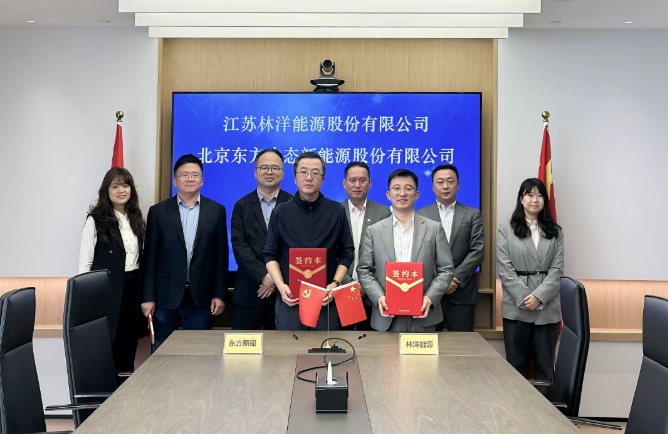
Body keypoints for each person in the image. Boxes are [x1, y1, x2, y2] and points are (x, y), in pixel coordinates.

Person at [141, 154, 228, 350]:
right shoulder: (158, 212)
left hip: (201, 297)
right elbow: (150, 259)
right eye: (184, 175)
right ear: (175, 181)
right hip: (165, 297)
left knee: (199, 353)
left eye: (195, 175)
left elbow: (221, 257)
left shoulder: (216, 211)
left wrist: (219, 294)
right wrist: (147, 297)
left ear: (202, 181)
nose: (190, 179)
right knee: (162, 354)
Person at [263, 152, 355, 331]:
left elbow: (347, 253)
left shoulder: (336, 211)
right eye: (303, 172)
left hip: (326, 300)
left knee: (326, 347)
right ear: (294, 177)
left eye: (315, 173)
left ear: (323, 179)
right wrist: (281, 286)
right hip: (291, 299)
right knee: (290, 347)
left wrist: (334, 285)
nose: (309, 177)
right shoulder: (280, 212)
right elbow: (270, 254)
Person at [357, 169, 454, 332]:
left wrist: (429, 298)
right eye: (396, 188)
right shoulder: (374, 231)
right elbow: (364, 270)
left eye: (408, 188)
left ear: (416, 195)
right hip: (386, 315)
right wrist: (379, 297)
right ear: (388, 194)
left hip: (424, 314)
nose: (402, 193)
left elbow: (446, 269)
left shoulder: (434, 229)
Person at [497, 178, 564, 394]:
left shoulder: (555, 231)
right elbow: (505, 269)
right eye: (530, 195)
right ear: (521, 199)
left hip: (548, 308)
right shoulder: (506, 228)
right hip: (516, 307)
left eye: (540, 195)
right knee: (516, 369)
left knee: (545, 370)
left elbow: (557, 270)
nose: (535, 199)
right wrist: (526, 298)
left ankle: (545, 414)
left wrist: (539, 297)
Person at [79, 167, 145, 380]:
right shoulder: (96, 220)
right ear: (106, 191)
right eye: (115, 186)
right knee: (108, 346)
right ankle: (108, 395)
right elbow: (86, 262)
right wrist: (87, 298)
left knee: (129, 343)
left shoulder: (136, 218)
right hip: (106, 292)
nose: (121, 190)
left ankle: (126, 392)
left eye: (125, 185)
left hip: (133, 289)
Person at [417, 164, 485, 331]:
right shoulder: (420, 215)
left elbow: (477, 251)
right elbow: (418, 252)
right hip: (429, 292)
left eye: (450, 181)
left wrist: (454, 278)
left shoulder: (472, 214)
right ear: (433, 187)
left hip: (462, 292)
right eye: (440, 182)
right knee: (429, 343)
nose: (445, 186)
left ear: (458, 185)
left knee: (461, 343)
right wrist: (441, 281)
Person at [231, 149, 293, 330]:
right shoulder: (241, 205)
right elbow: (239, 246)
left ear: (283, 172)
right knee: (244, 346)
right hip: (249, 292)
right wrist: (263, 276)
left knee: (283, 346)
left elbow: (296, 246)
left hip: (285, 293)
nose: (269, 172)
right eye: (264, 167)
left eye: (275, 168)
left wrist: (274, 280)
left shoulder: (294, 204)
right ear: (255, 172)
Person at [341, 161, 391, 330]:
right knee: (344, 339)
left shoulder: (384, 212)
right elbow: (331, 253)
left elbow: (387, 253)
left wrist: (367, 284)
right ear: (344, 183)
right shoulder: (334, 211)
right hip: (342, 288)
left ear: (370, 183)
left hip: (374, 291)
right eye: (352, 180)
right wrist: (349, 282)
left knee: (372, 340)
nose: (357, 185)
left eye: (362, 180)